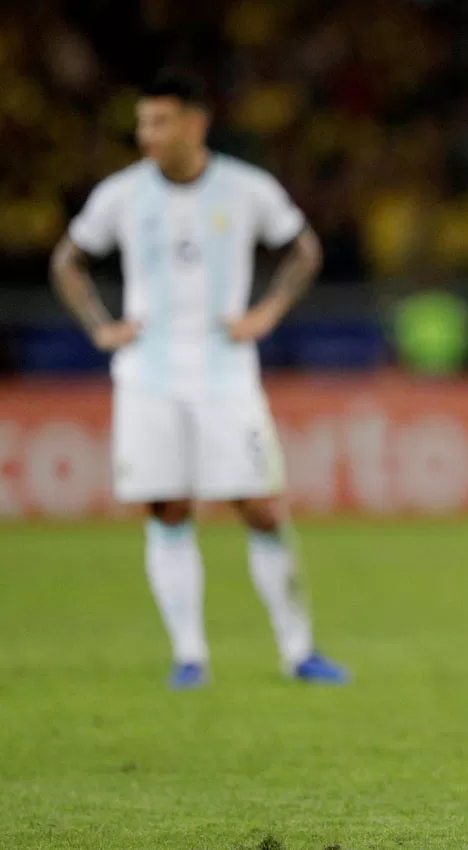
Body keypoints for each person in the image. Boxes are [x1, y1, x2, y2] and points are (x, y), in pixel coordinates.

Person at [50, 69, 348, 690]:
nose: (147, 135)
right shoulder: (122, 195)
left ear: (195, 124)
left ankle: (298, 651)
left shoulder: (246, 189)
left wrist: (265, 313)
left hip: (224, 373)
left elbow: (305, 249)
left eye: (159, 121)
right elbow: (67, 261)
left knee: (261, 507)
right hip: (148, 375)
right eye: (142, 123)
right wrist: (101, 328)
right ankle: (190, 656)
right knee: (168, 508)